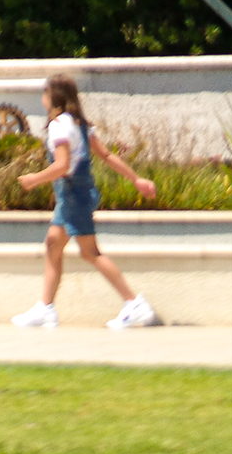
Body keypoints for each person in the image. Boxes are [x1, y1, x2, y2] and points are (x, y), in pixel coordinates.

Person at [10, 73, 160, 328]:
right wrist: (136, 179)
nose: (43, 99)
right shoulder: (80, 124)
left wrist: (34, 180)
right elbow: (105, 155)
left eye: (45, 94)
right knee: (53, 244)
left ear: (53, 97)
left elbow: (62, 165)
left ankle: (134, 304)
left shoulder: (59, 125)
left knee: (90, 252)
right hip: (78, 194)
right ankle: (46, 308)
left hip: (72, 196)